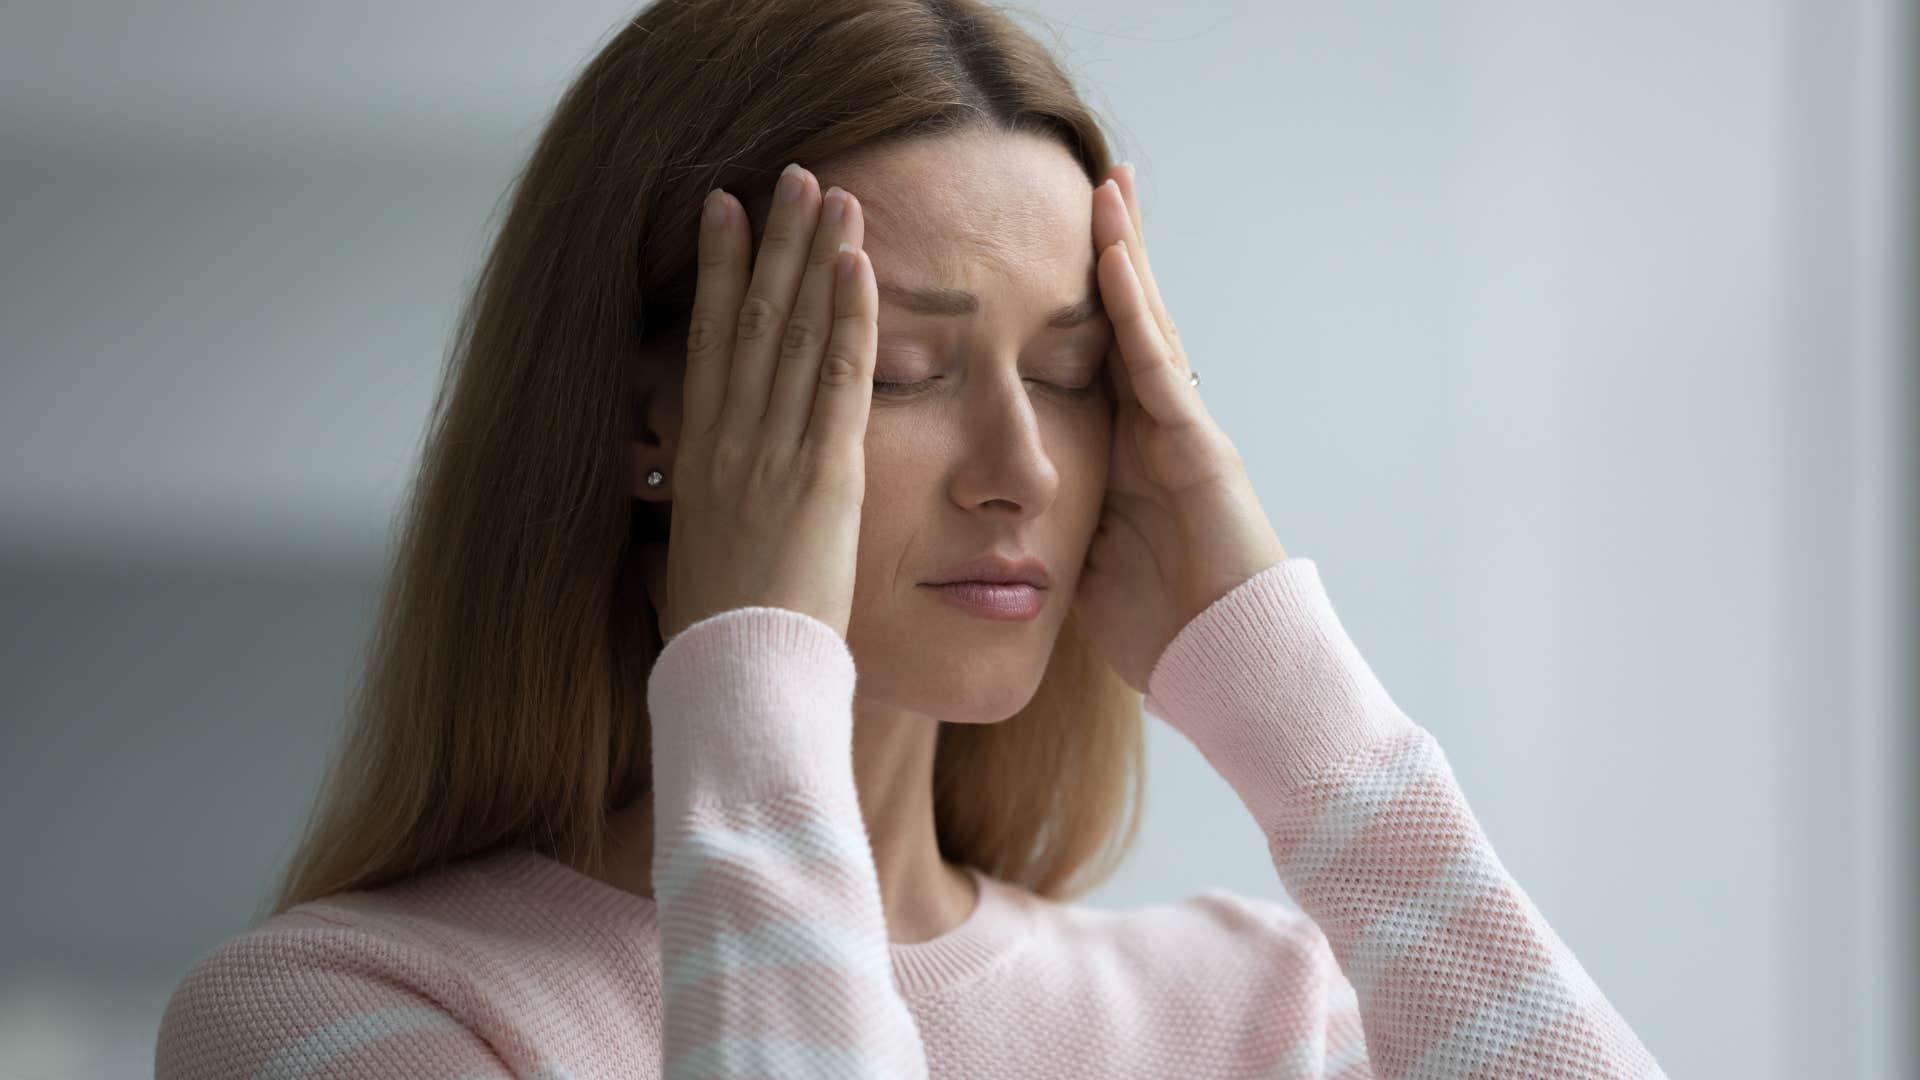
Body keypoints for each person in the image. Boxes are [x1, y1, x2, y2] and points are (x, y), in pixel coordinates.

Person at [154, 1, 1668, 1076]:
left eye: (1077, 378)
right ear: (645, 424)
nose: (1025, 470)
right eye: (901, 370)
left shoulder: (1257, 1015)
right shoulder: (335, 1016)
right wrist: (753, 682)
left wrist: (1296, 705)